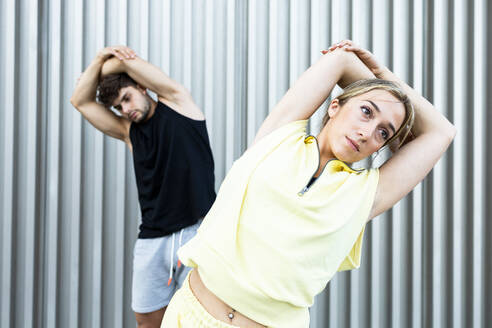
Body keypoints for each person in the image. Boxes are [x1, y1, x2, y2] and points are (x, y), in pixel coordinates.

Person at [161, 41, 456, 328]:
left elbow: (442, 131)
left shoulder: (366, 193)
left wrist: (388, 80)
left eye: (383, 132)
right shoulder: (279, 137)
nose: (367, 132)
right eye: (366, 111)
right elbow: (340, 60)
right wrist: (381, 78)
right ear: (335, 106)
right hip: (187, 314)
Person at [70, 46, 216, 328]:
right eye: (118, 107)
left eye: (127, 98)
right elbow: (80, 101)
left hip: (198, 233)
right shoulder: (129, 132)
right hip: (152, 239)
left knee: (201, 321)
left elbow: (132, 63)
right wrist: (101, 59)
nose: (126, 110)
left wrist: (101, 67)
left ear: (141, 86)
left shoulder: (178, 101)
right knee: (148, 324)